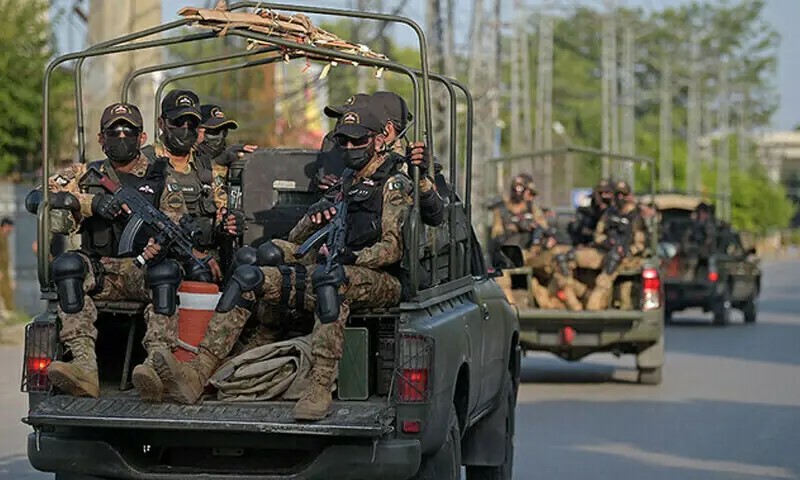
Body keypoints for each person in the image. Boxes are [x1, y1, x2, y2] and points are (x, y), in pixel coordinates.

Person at [151, 103, 414, 421]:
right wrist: (314, 218)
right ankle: (199, 370)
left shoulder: (393, 184)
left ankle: (320, 384)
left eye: (357, 140)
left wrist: (354, 256)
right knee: (249, 275)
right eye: (343, 140)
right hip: (330, 266)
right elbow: (297, 239)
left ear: (378, 140)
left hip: (379, 279)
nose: (349, 147)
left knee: (330, 280)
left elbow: (393, 248)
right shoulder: (345, 182)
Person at [44, 102, 194, 401]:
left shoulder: (160, 176)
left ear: (142, 137)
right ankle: (84, 366)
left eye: (129, 132)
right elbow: (41, 196)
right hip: (100, 271)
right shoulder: (85, 174)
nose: (122, 137)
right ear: (101, 139)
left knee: (166, 272)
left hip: (140, 271)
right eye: (114, 132)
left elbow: (176, 222)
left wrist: (159, 246)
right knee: (66, 266)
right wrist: (91, 203)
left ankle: (156, 365)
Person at [145, 90, 242, 282]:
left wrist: (228, 224)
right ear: (161, 123)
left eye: (192, 123)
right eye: (178, 122)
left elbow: (221, 212)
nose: (185, 128)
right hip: (159, 261)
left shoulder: (206, 167)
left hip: (205, 261)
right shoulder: (145, 163)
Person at [320, 92, 446, 227]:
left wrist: (420, 179)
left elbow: (435, 216)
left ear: (386, 130)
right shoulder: (356, 164)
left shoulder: (408, 165)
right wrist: (326, 200)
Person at [584, 180, 648, 310]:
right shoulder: (609, 213)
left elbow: (640, 243)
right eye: (618, 194)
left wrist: (627, 251)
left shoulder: (635, 217)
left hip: (625, 257)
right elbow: (598, 235)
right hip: (605, 250)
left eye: (623, 195)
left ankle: (593, 306)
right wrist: (607, 242)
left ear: (629, 196)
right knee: (571, 257)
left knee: (612, 263)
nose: (620, 198)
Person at [0, 218, 14, 320]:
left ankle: (7, 313)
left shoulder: (4, 238)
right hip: (1, 270)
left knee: (7, 291)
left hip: (4, 270)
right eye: (9, 227)